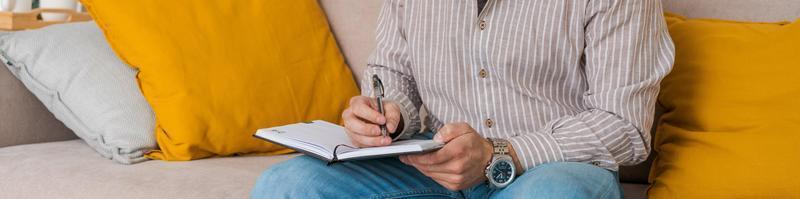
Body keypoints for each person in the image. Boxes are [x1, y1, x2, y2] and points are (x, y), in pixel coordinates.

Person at [252, 0, 674, 198]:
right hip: (430, 170)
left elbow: (625, 126)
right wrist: (389, 115)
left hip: (551, 174)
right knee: (286, 186)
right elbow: (392, 73)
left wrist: (497, 153)